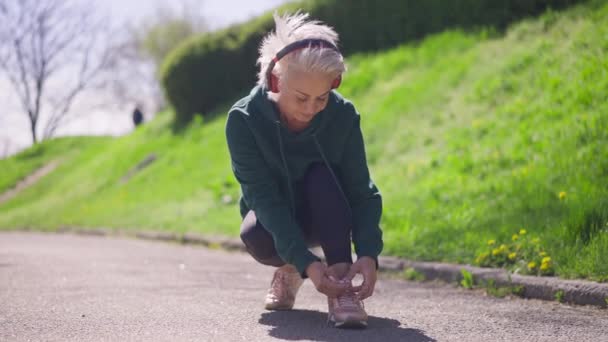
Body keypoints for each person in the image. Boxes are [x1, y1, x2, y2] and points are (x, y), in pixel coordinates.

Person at [225, 12, 383, 329]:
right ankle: (289, 268)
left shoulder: (343, 116)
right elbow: (263, 198)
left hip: (330, 211)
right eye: (301, 98)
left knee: (321, 176)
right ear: (274, 81)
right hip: (276, 218)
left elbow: (361, 190)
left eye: (321, 97)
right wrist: (305, 262)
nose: (311, 108)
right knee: (254, 234)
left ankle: (340, 285)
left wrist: (368, 251)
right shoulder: (243, 120)